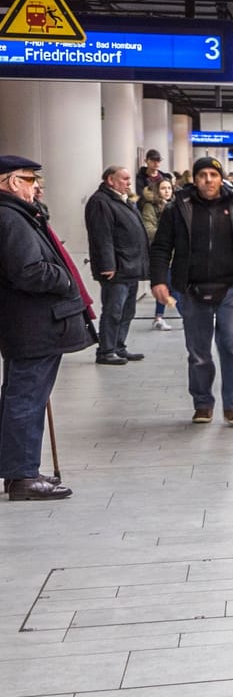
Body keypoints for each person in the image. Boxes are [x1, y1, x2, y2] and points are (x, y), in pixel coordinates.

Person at [149, 157, 233, 425]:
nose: (208, 180)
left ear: (220, 178)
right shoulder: (178, 209)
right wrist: (158, 280)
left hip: (230, 289)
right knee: (199, 352)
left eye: (213, 175)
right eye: (202, 174)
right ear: (195, 179)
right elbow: (161, 248)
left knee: (231, 345)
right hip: (192, 290)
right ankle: (203, 403)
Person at [0, 155, 94, 500]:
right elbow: (28, 270)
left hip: (30, 324)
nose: (36, 185)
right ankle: (23, 476)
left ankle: (17, 471)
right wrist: (63, 276)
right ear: (11, 182)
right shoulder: (10, 218)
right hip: (32, 324)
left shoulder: (23, 216)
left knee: (22, 396)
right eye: (29, 179)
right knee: (26, 398)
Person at [84, 165, 150, 365]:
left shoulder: (123, 201)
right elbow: (102, 236)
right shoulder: (101, 202)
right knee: (114, 309)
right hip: (117, 268)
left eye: (129, 179)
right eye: (124, 179)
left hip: (131, 266)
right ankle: (106, 350)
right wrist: (107, 264)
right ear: (110, 180)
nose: (129, 183)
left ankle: (119, 346)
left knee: (127, 310)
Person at [140, 176, 176, 330]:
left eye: (169, 188)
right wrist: (169, 234)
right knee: (165, 283)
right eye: (163, 188)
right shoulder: (150, 206)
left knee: (171, 284)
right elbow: (148, 229)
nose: (167, 191)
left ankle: (159, 316)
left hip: (177, 252)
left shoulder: (176, 205)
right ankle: (159, 317)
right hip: (160, 252)